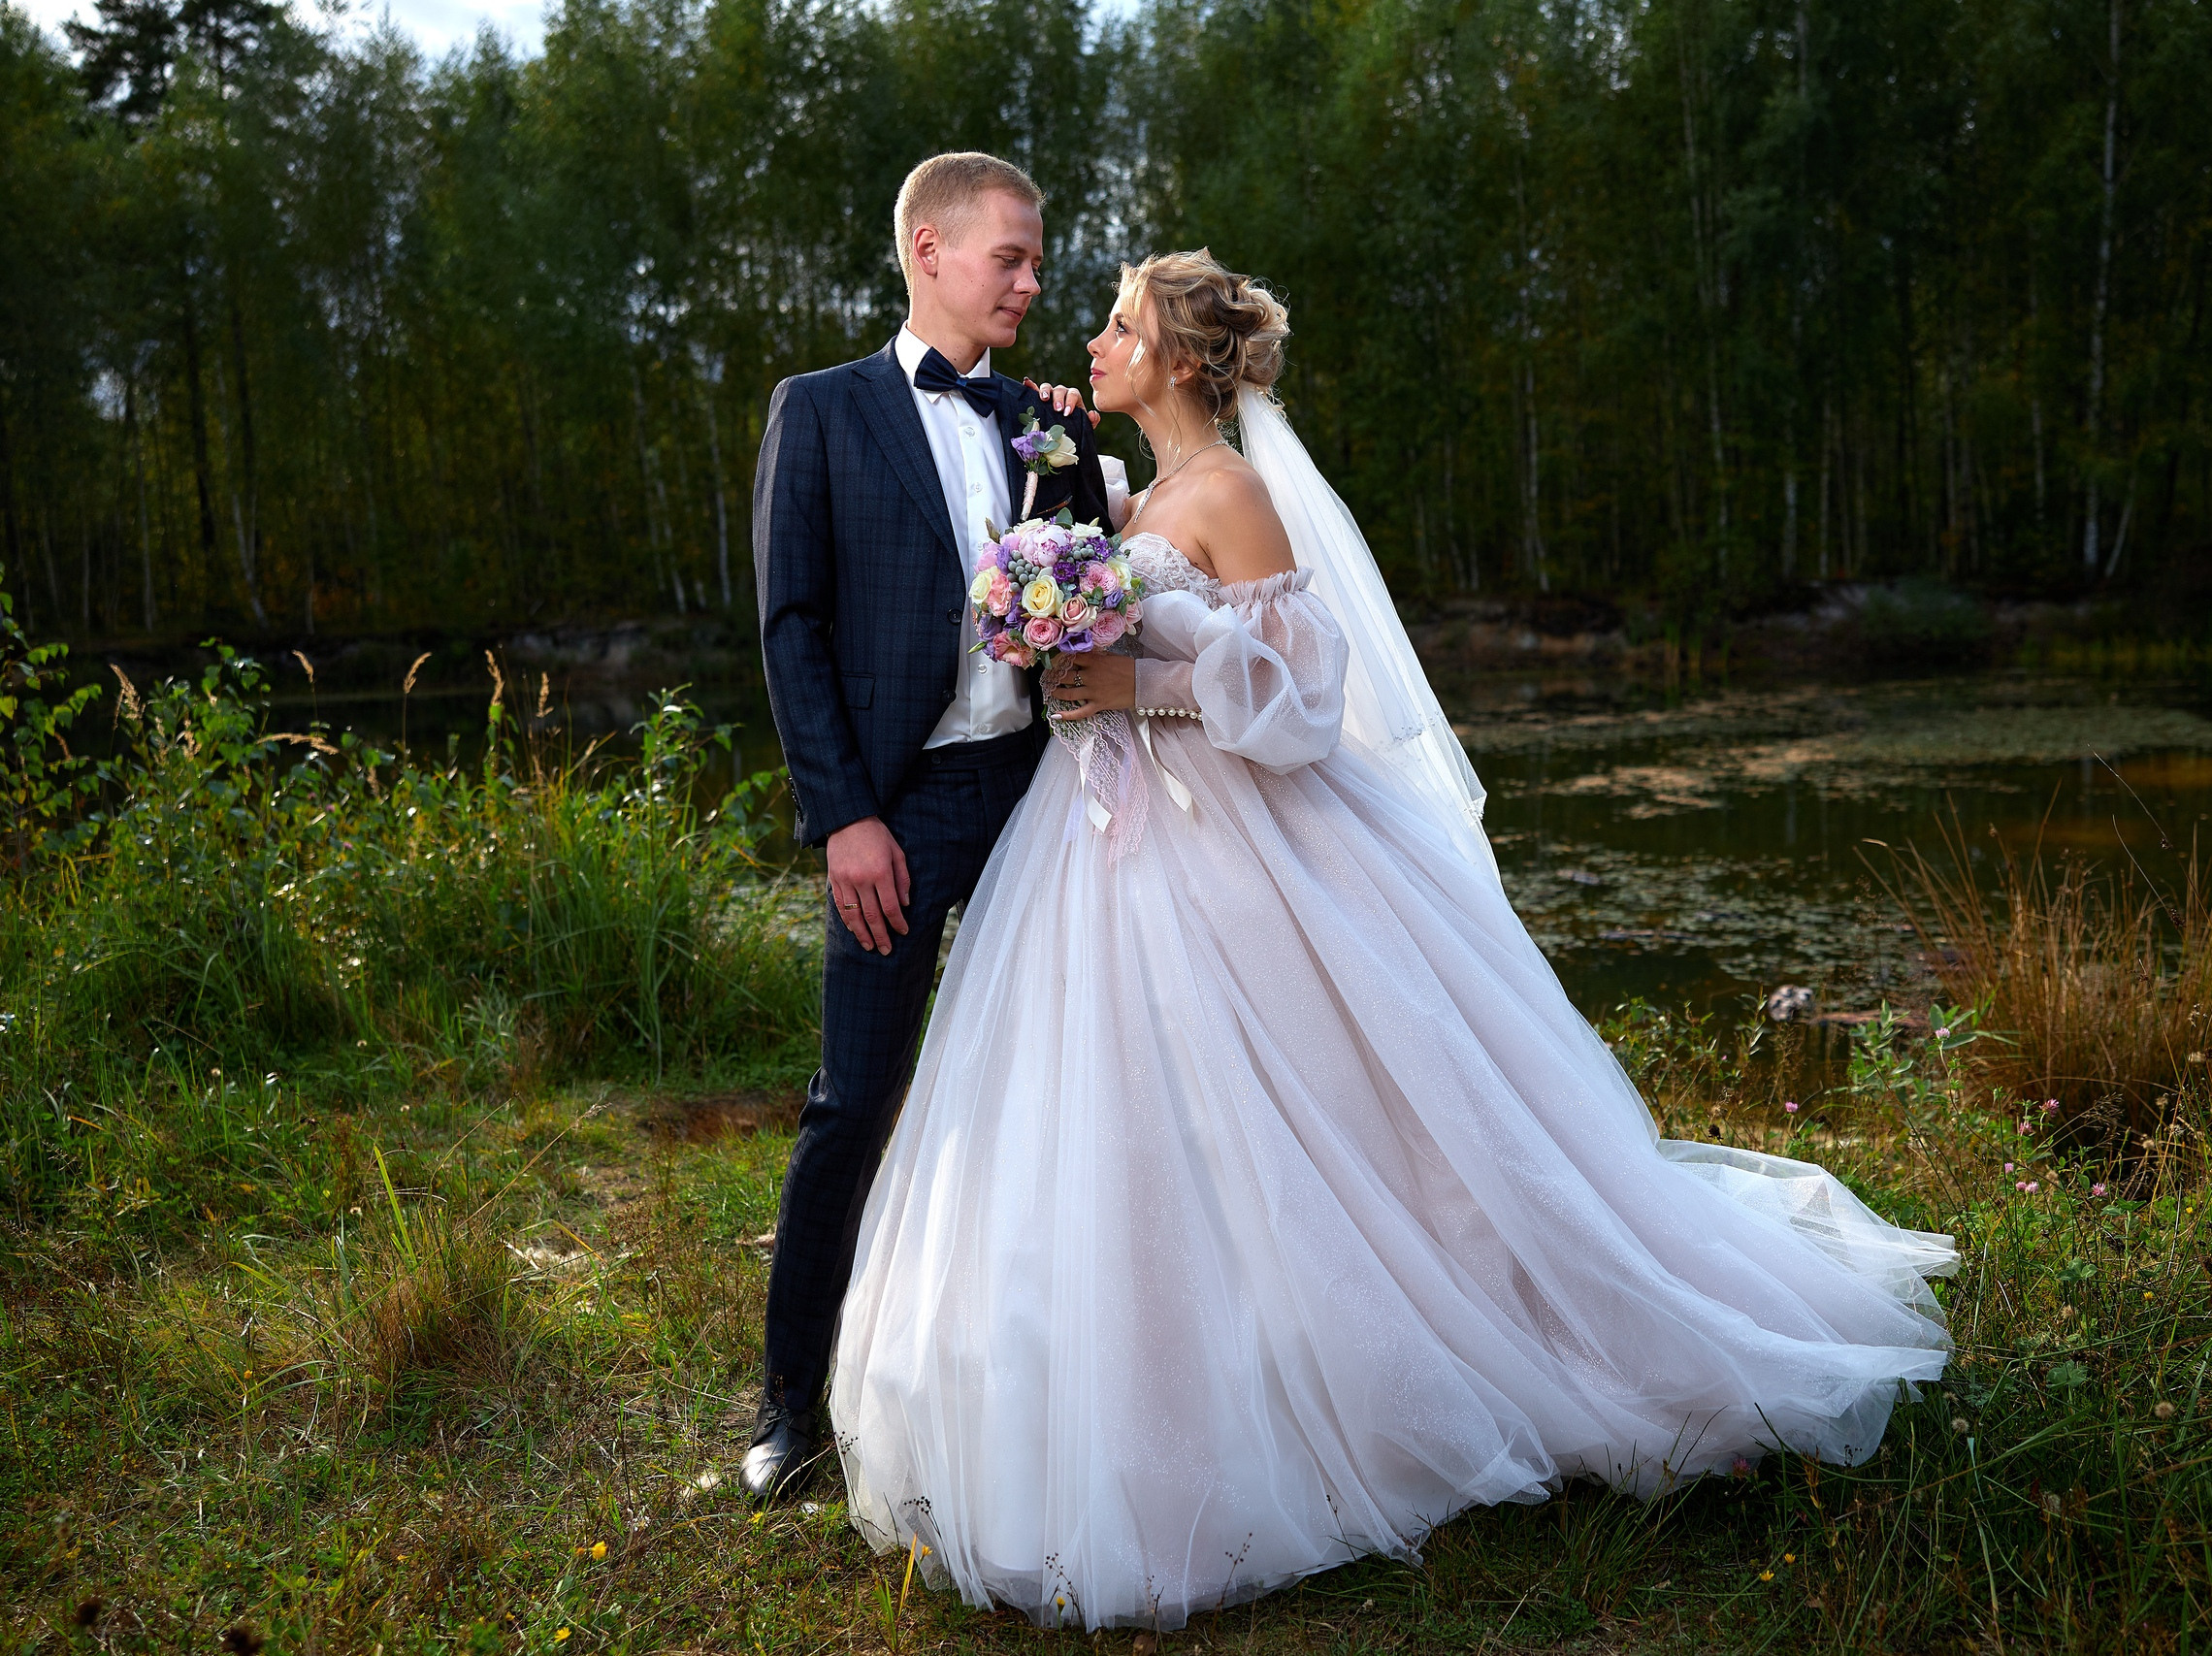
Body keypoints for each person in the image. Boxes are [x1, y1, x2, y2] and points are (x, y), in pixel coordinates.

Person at [827, 249, 1957, 1630]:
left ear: (1183, 360)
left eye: (1119, 325)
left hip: (1230, 840)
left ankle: (1419, 1367)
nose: (1097, 341)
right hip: (1103, 838)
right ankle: (1166, 1380)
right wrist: (1075, 617)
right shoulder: (1133, 493)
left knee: (1326, 1107)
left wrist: (1140, 683)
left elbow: (1299, 705)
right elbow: (1096, 592)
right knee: (1135, 1121)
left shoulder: (1233, 493)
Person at [743, 151, 1117, 1503]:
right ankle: (794, 1408)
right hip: (894, 816)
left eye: (1035, 257)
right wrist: (843, 817)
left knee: (1063, 1094)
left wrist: (1073, 458)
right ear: (927, 249)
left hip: (1036, 796)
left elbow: (1086, 603)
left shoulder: (1045, 418)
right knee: (855, 1101)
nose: (1030, 278)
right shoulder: (825, 411)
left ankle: (1045, 1385)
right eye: (1009, 256)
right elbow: (791, 627)